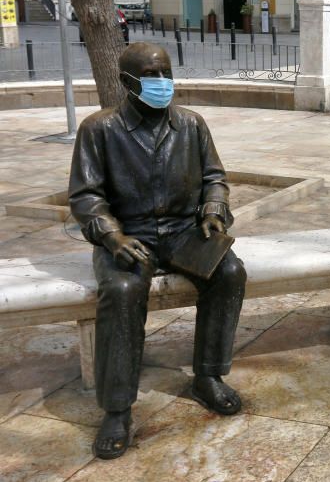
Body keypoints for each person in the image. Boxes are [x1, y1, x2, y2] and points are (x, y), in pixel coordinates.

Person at [69, 42, 246, 460]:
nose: (163, 84)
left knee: (230, 272)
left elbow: (214, 177)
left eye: (166, 74)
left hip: (185, 231)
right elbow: (86, 197)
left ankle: (208, 377)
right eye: (153, 77)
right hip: (131, 235)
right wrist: (112, 237)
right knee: (124, 291)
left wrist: (214, 209)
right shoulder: (99, 129)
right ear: (129, 83)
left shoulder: (191, 125)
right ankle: (116, 408)